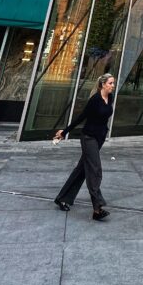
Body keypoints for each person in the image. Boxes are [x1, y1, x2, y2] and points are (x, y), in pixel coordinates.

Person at [53, 73, 115, 220]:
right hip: (89, 138)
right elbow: (81, 117)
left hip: (99, 139)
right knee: (95, 170)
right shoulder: (95, 100)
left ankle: (62, 198)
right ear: (103, 84)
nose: (113, 86)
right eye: (110, 83)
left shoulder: (110, 97)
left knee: (81, 170)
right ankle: (97, 208)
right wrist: (64, 132)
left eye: (113, 83)